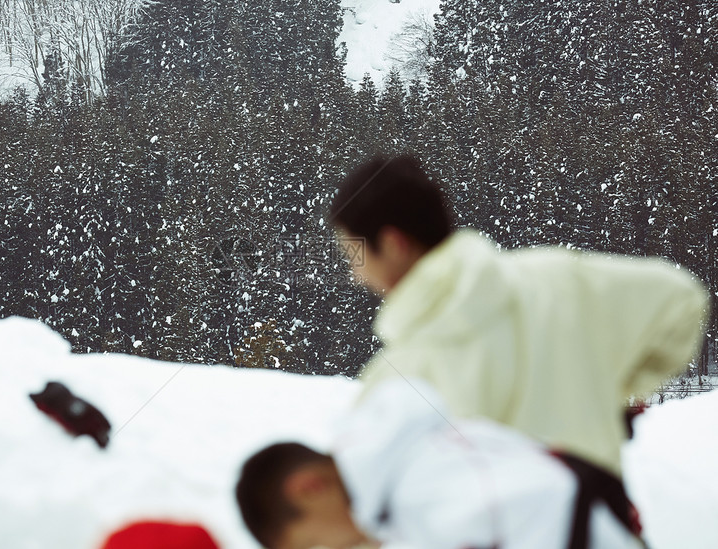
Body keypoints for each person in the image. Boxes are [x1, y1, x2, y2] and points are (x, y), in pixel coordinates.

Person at [329, 154, 709, 476]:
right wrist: (615, 394)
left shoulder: (399, 377)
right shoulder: (558, 278)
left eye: (354, 255)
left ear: (394, 245)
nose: (355, 274)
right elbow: (682, 301)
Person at [236, 377, 643, 549]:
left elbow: (549, 499)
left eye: (313, 544)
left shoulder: (421, 483)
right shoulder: (401, 475)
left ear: (308, 488)